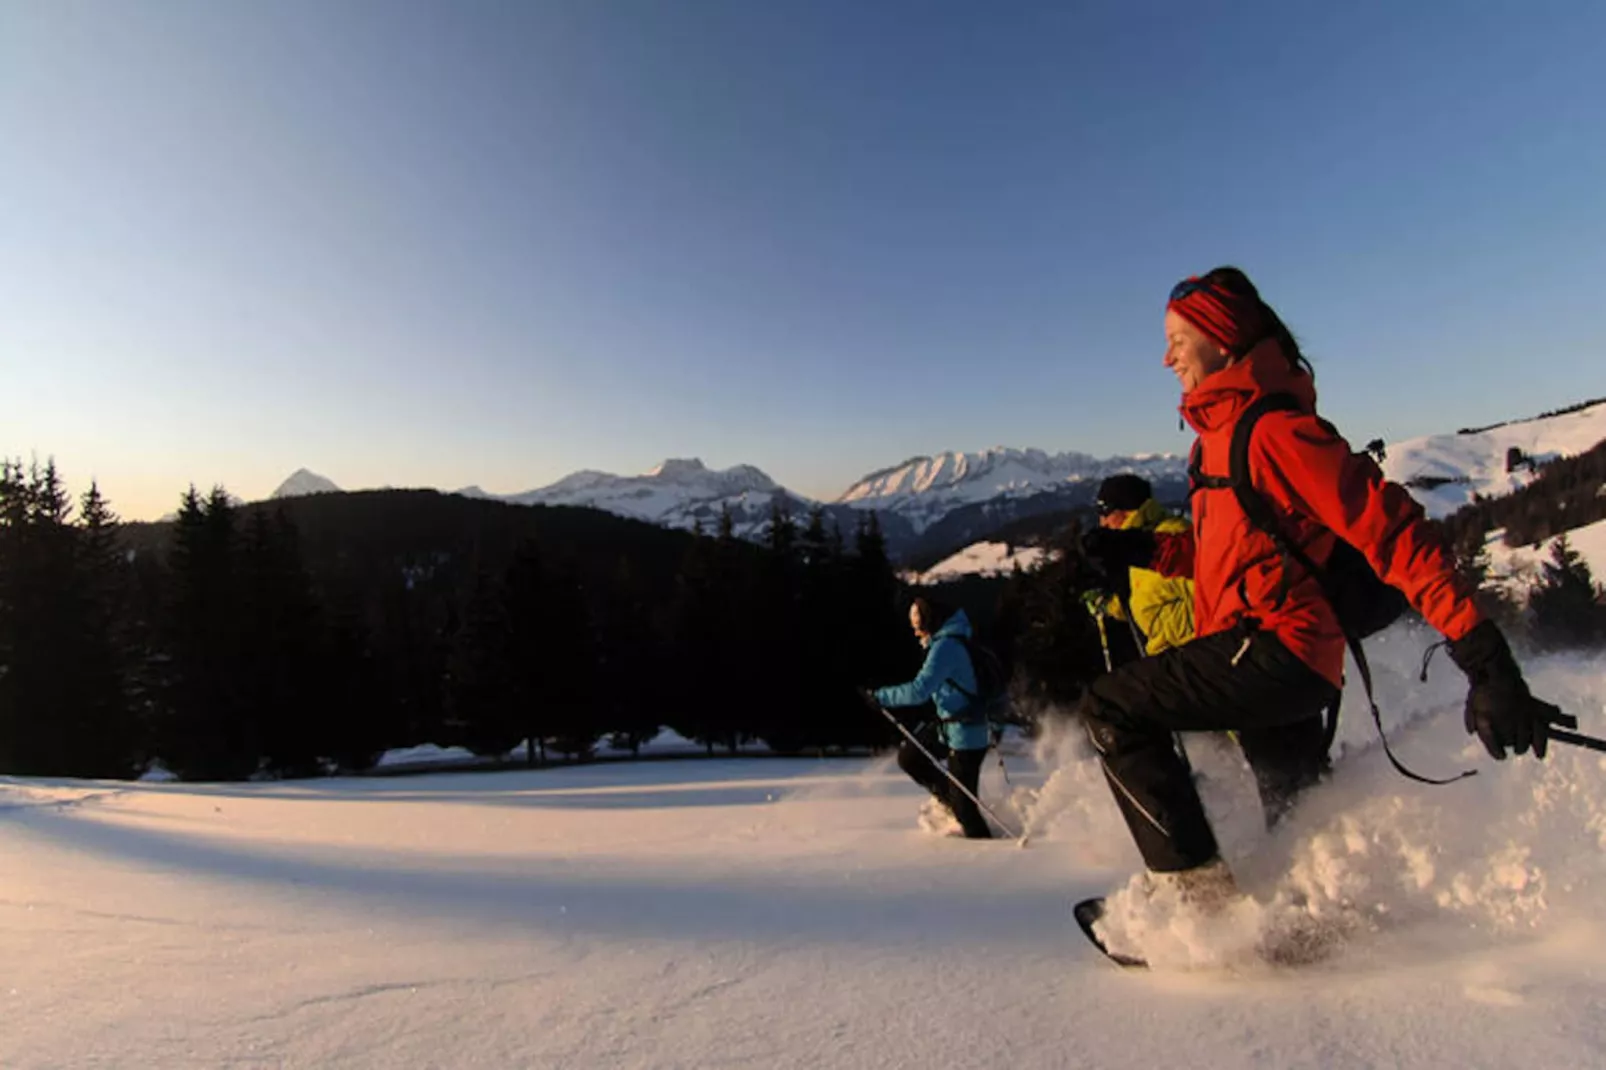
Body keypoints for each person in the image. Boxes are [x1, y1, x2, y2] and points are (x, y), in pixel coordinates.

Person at [1075, 266, 1568, 909]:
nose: (1165, 356)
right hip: (1267, 648)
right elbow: (1234, 554)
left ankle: (1195, 906)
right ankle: (1316, 918)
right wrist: (1142, 547)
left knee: (1112, 706)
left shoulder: (1273, 432)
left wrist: (1488, 663)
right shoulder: (1217, 443)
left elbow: (1394, 536)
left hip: (1277, 649)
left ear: (1223, 341)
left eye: (1178, 338)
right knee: (1296, 811)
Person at [873, 597, 994, 839]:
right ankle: (951, 798)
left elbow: (920, 690)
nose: (915, 631)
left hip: (966, 735)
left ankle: (984, 847)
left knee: (966, 811)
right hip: (949, 728)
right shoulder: (950, 641)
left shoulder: (946, 647)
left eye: (918, 624)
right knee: (911, 757)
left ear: (930, 621)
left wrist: (881, 697)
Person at [1087, 473, 1194, 658]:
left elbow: (1212, 600)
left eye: (1104, 512)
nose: (1102, 522)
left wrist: (1166, 634)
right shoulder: (1131, 547)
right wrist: (1107, 605)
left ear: (1127, 509)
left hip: (1191, 651)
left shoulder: (1172, 540)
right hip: (1165, 653)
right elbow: (1142, 599)